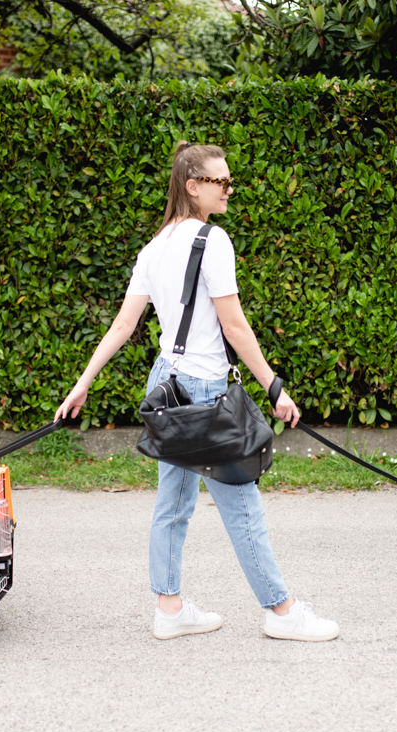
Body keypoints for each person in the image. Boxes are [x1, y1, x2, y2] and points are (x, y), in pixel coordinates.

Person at [54, 141, 339, 642]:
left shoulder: (154, 246)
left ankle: (170, 609)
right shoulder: (214, 240)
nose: (229, 189)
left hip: (166, 385)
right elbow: (234, 325)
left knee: (174, 501)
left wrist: (81, 387)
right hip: (205, 390)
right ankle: (281, 611)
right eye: (220, 181)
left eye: (229, 181)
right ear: (193, 186)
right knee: (241, 501)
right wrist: (274, 386)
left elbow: (123, 326)